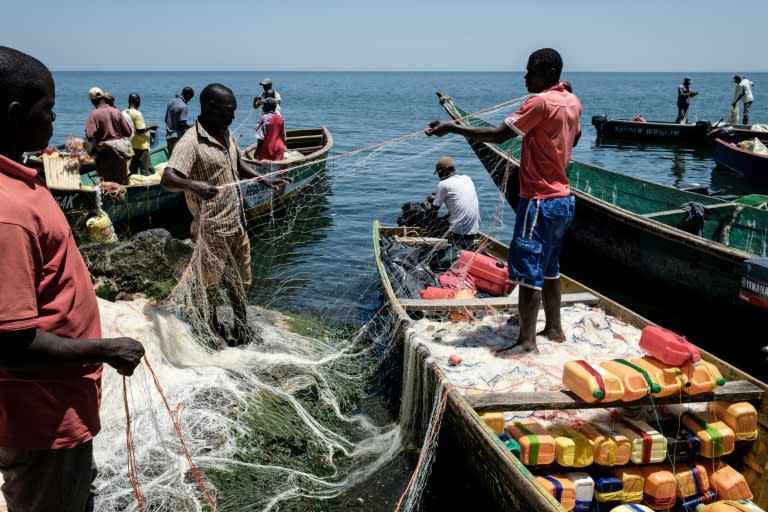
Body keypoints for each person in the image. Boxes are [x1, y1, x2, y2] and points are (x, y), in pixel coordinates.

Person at [0, 45, 145, 512]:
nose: (55, 119)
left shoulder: (19, 184)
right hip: (41, 419)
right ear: (16, 114)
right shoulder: (9, 211)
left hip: (54, 408)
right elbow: (10, 342)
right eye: (49, 110)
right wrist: (106, 348)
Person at [426, 48, 581, 355]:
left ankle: (526, 342)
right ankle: (554, 329)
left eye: (531, 72)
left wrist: (451, 128)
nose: (525, 77)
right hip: (563, 200)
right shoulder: (572, 101)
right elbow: (573, 139)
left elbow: (499, 135)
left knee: (528, 272)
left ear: (549, 73)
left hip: (538, 201)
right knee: (550, 268)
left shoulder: (539, 102)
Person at [160, 83, 289, 348]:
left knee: (242, 281)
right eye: (229, 110)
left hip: (238, 225)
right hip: (211, 229)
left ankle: (241, 326)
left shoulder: (225, 132)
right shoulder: (190, 142)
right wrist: (193, 185)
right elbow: (167, 178)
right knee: (209, 286)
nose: (233, 115)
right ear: (210, 107)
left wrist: (263, 178)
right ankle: (211, 330)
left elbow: (237, 162)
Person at [424, 155, 481, 251]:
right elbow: (457, 197)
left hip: (457, 232)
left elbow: (433, 214)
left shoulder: (443, 184)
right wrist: (437, 198)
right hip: (474, 229)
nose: (438, 176)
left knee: (429, 224)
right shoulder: (467, 178)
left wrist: (427, 207)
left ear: (441, 172)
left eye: (438, 173)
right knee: (449, 216)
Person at [85, 86, 134, 184]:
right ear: (103, 97)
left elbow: (90, 136)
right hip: (120, 152)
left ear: (92, 101)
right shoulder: (116, 112)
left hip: (105, 154)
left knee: (107, 183)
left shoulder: (94, 114)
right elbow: (128, 132)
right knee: (121, 182)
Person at [124, 92, 159, 175]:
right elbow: (139, 131)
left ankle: (132, 185)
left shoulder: (124, 112)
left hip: (130, 146)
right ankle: (148, 186)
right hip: (141, 147)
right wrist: (151, 127)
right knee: (146, 170)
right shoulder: (137, 114)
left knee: (132, 171)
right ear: (137, 101)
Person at [253, 97, 286, 163]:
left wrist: (257, 152)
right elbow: (284, 136)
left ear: (268, 106)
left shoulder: (265, 118)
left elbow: (260, 138)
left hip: (268, 149)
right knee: (279, 170)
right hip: (279, 148)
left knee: (265, 169)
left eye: (264, 105)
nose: (262, 107)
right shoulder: (281, 118)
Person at [165, 86, 194, 154]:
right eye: (190, 98)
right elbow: (182, 124)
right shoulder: (184, 106)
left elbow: (166, 119)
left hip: (169, 137)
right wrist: (193, 126)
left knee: (171, 159)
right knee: (178, 160)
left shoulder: (170, 101)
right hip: (177, 137)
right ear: (188, 95)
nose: (189, 100)